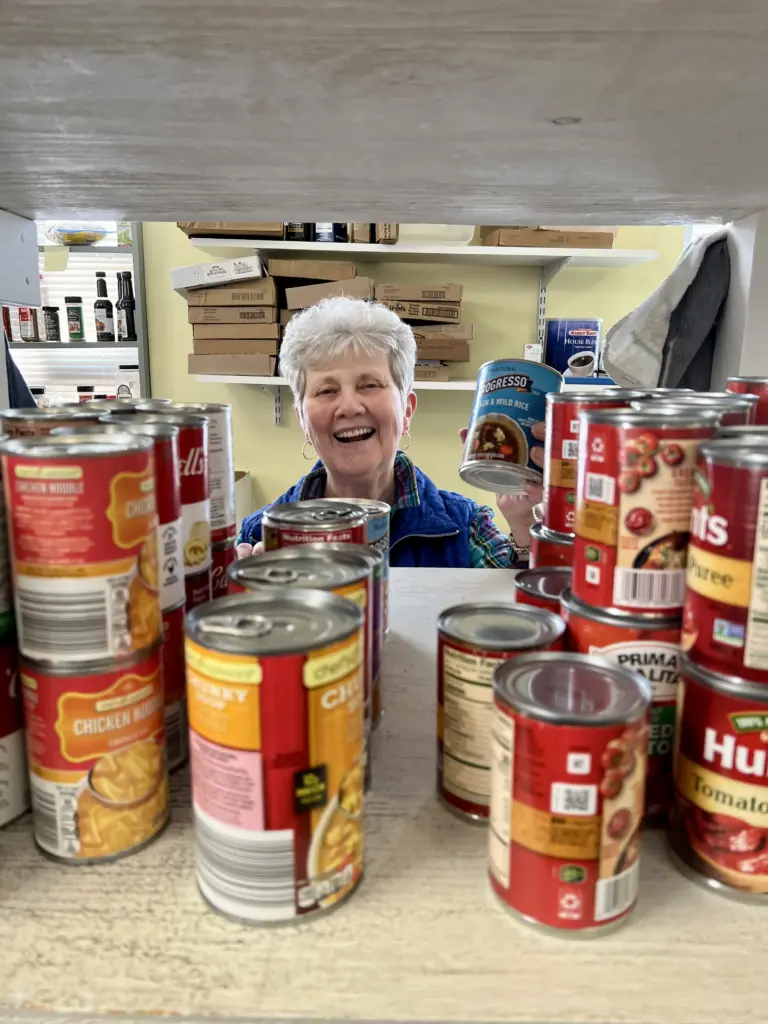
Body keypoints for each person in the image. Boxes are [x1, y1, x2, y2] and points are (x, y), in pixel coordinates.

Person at [237, 297, 541, 568]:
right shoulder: (257, 533)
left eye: (370, 385)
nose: (349, 406)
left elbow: (531, 617)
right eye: (326, 390)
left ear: (406, 410)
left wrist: (529, 521)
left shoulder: (466, 527)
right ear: (303, 420)